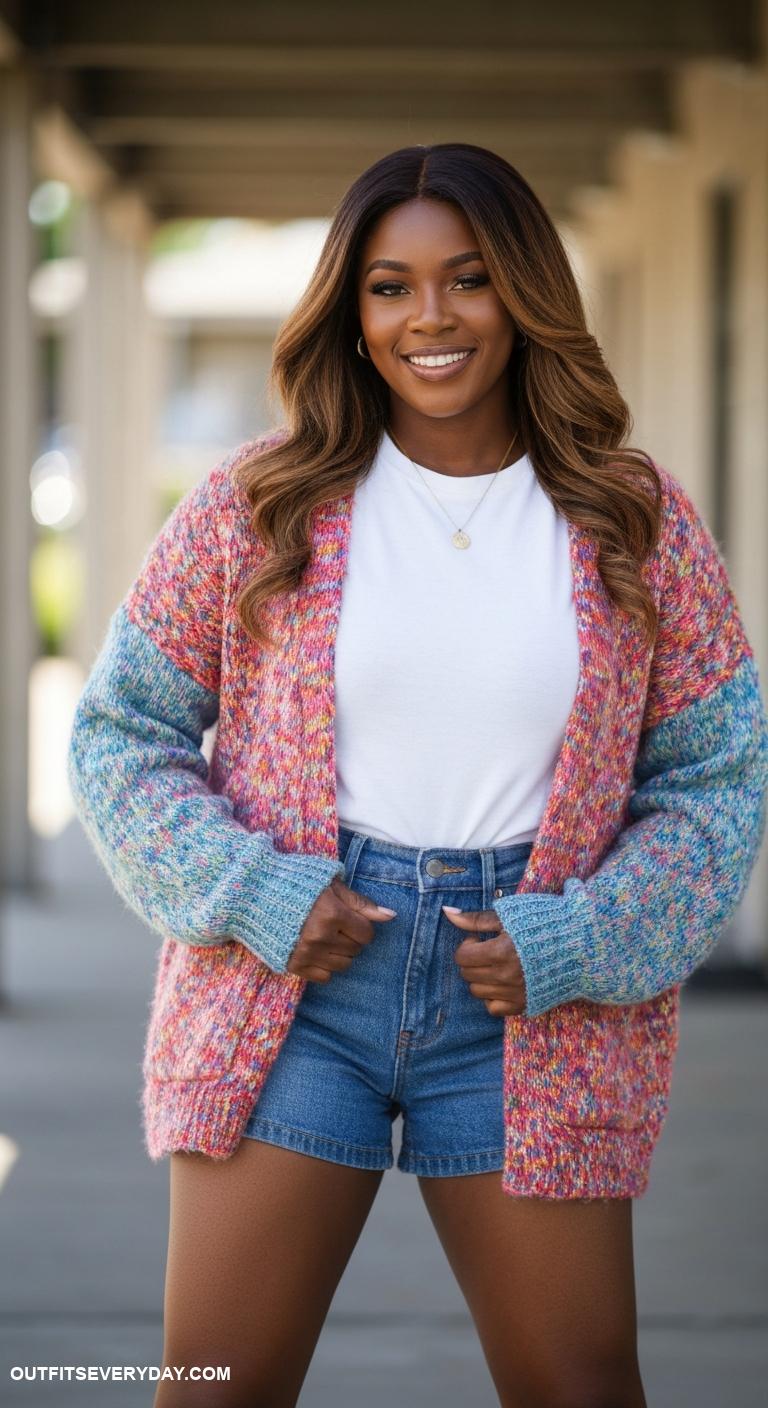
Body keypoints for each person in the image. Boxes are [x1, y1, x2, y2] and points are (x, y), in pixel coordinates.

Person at [67, 143, 768, 1408]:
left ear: (527, 294)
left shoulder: (633, 518)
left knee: (582, 1388)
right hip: (294, 994)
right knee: (214, 1388)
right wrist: (260, 892)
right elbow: (121, 734)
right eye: (390, 286)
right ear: (353, 308)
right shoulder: (257, 505)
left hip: (530, 1004)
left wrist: (582, 936)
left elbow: (717, 781)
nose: (429, 318)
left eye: (470, 279)